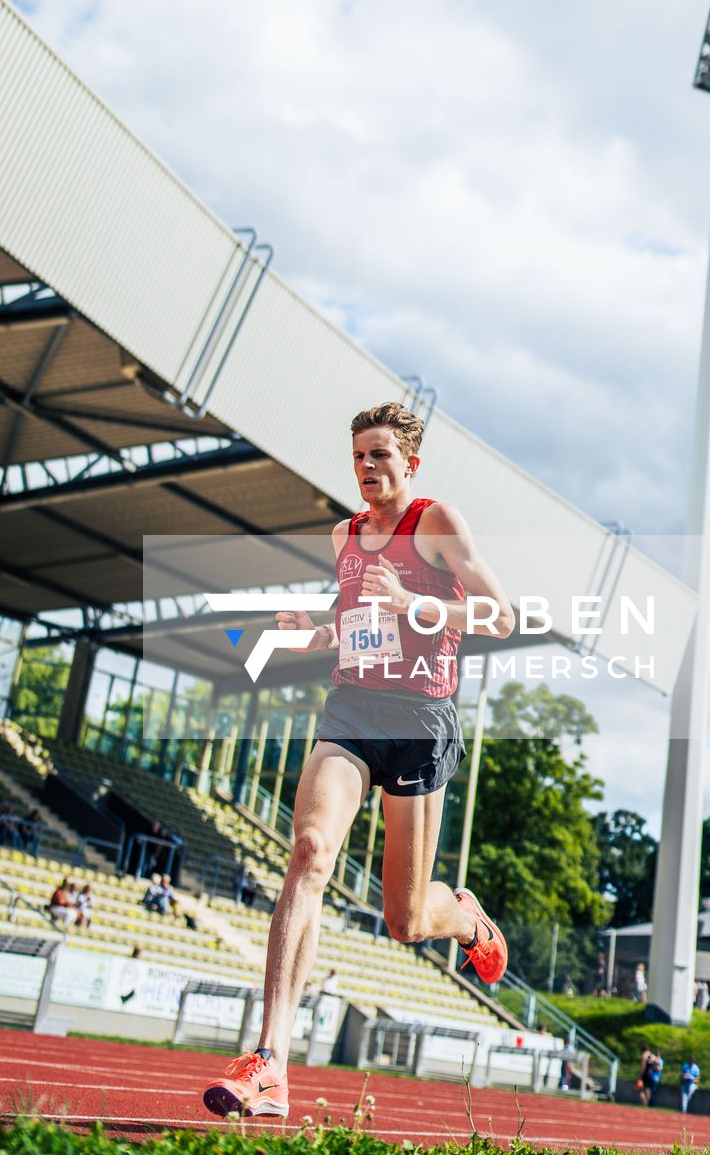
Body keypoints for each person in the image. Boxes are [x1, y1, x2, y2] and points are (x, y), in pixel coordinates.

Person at [202, 402, 514, 1123]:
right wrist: (310, 633)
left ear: (410, 461)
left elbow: (501, 615)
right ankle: (269, 1062)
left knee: (404, 919)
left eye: (380, 455)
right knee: (309, 850)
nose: (367, 468)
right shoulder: (344, 534)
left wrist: (413, 601)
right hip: (352, 711)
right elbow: (357, 626)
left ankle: (465, 918)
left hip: (420, 722)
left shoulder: (436, 523)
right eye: (358, 457)